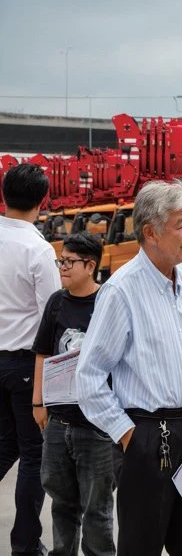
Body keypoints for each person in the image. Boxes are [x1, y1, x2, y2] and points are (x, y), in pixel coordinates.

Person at [76, 179, 182, 556]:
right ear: (150, 232)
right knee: (141, 545)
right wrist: (128, 436)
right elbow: (89, 376)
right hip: (148, 438)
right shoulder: (122, 291)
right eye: (180, 224)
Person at [32, 232, 116, 556]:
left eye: (68, 262)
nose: (62, 268)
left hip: (96, 426)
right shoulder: (57, 302)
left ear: (90, 265)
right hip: (58, 423)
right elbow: (41, 352)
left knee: (97, 508)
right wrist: (38, 402)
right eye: (60, 261)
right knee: (61, 503)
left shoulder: (107, 303)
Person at [0, 163, 60, 556]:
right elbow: (53, 319)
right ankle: (24, 544)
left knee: (5, 445)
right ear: (43, 201)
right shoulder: (39, 250)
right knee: (33, 455)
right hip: (25, 367)